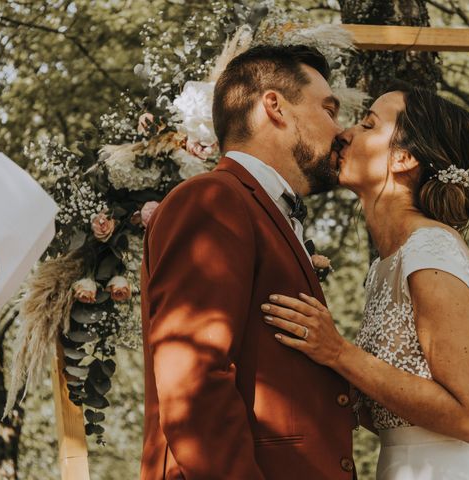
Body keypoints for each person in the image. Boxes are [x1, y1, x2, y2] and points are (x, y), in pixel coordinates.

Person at [263, 85, 469, 479]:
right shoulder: (388, 264)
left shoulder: (430, 251)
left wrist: (337, 352)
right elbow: (393, 408)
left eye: (368, 125)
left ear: (403, 158)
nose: (345, 133)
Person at [140, 45, 356, 479]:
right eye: (328, 109)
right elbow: (193, 381)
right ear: (274, 106)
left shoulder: (264, 209)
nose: (341, 130)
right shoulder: (213, 200)